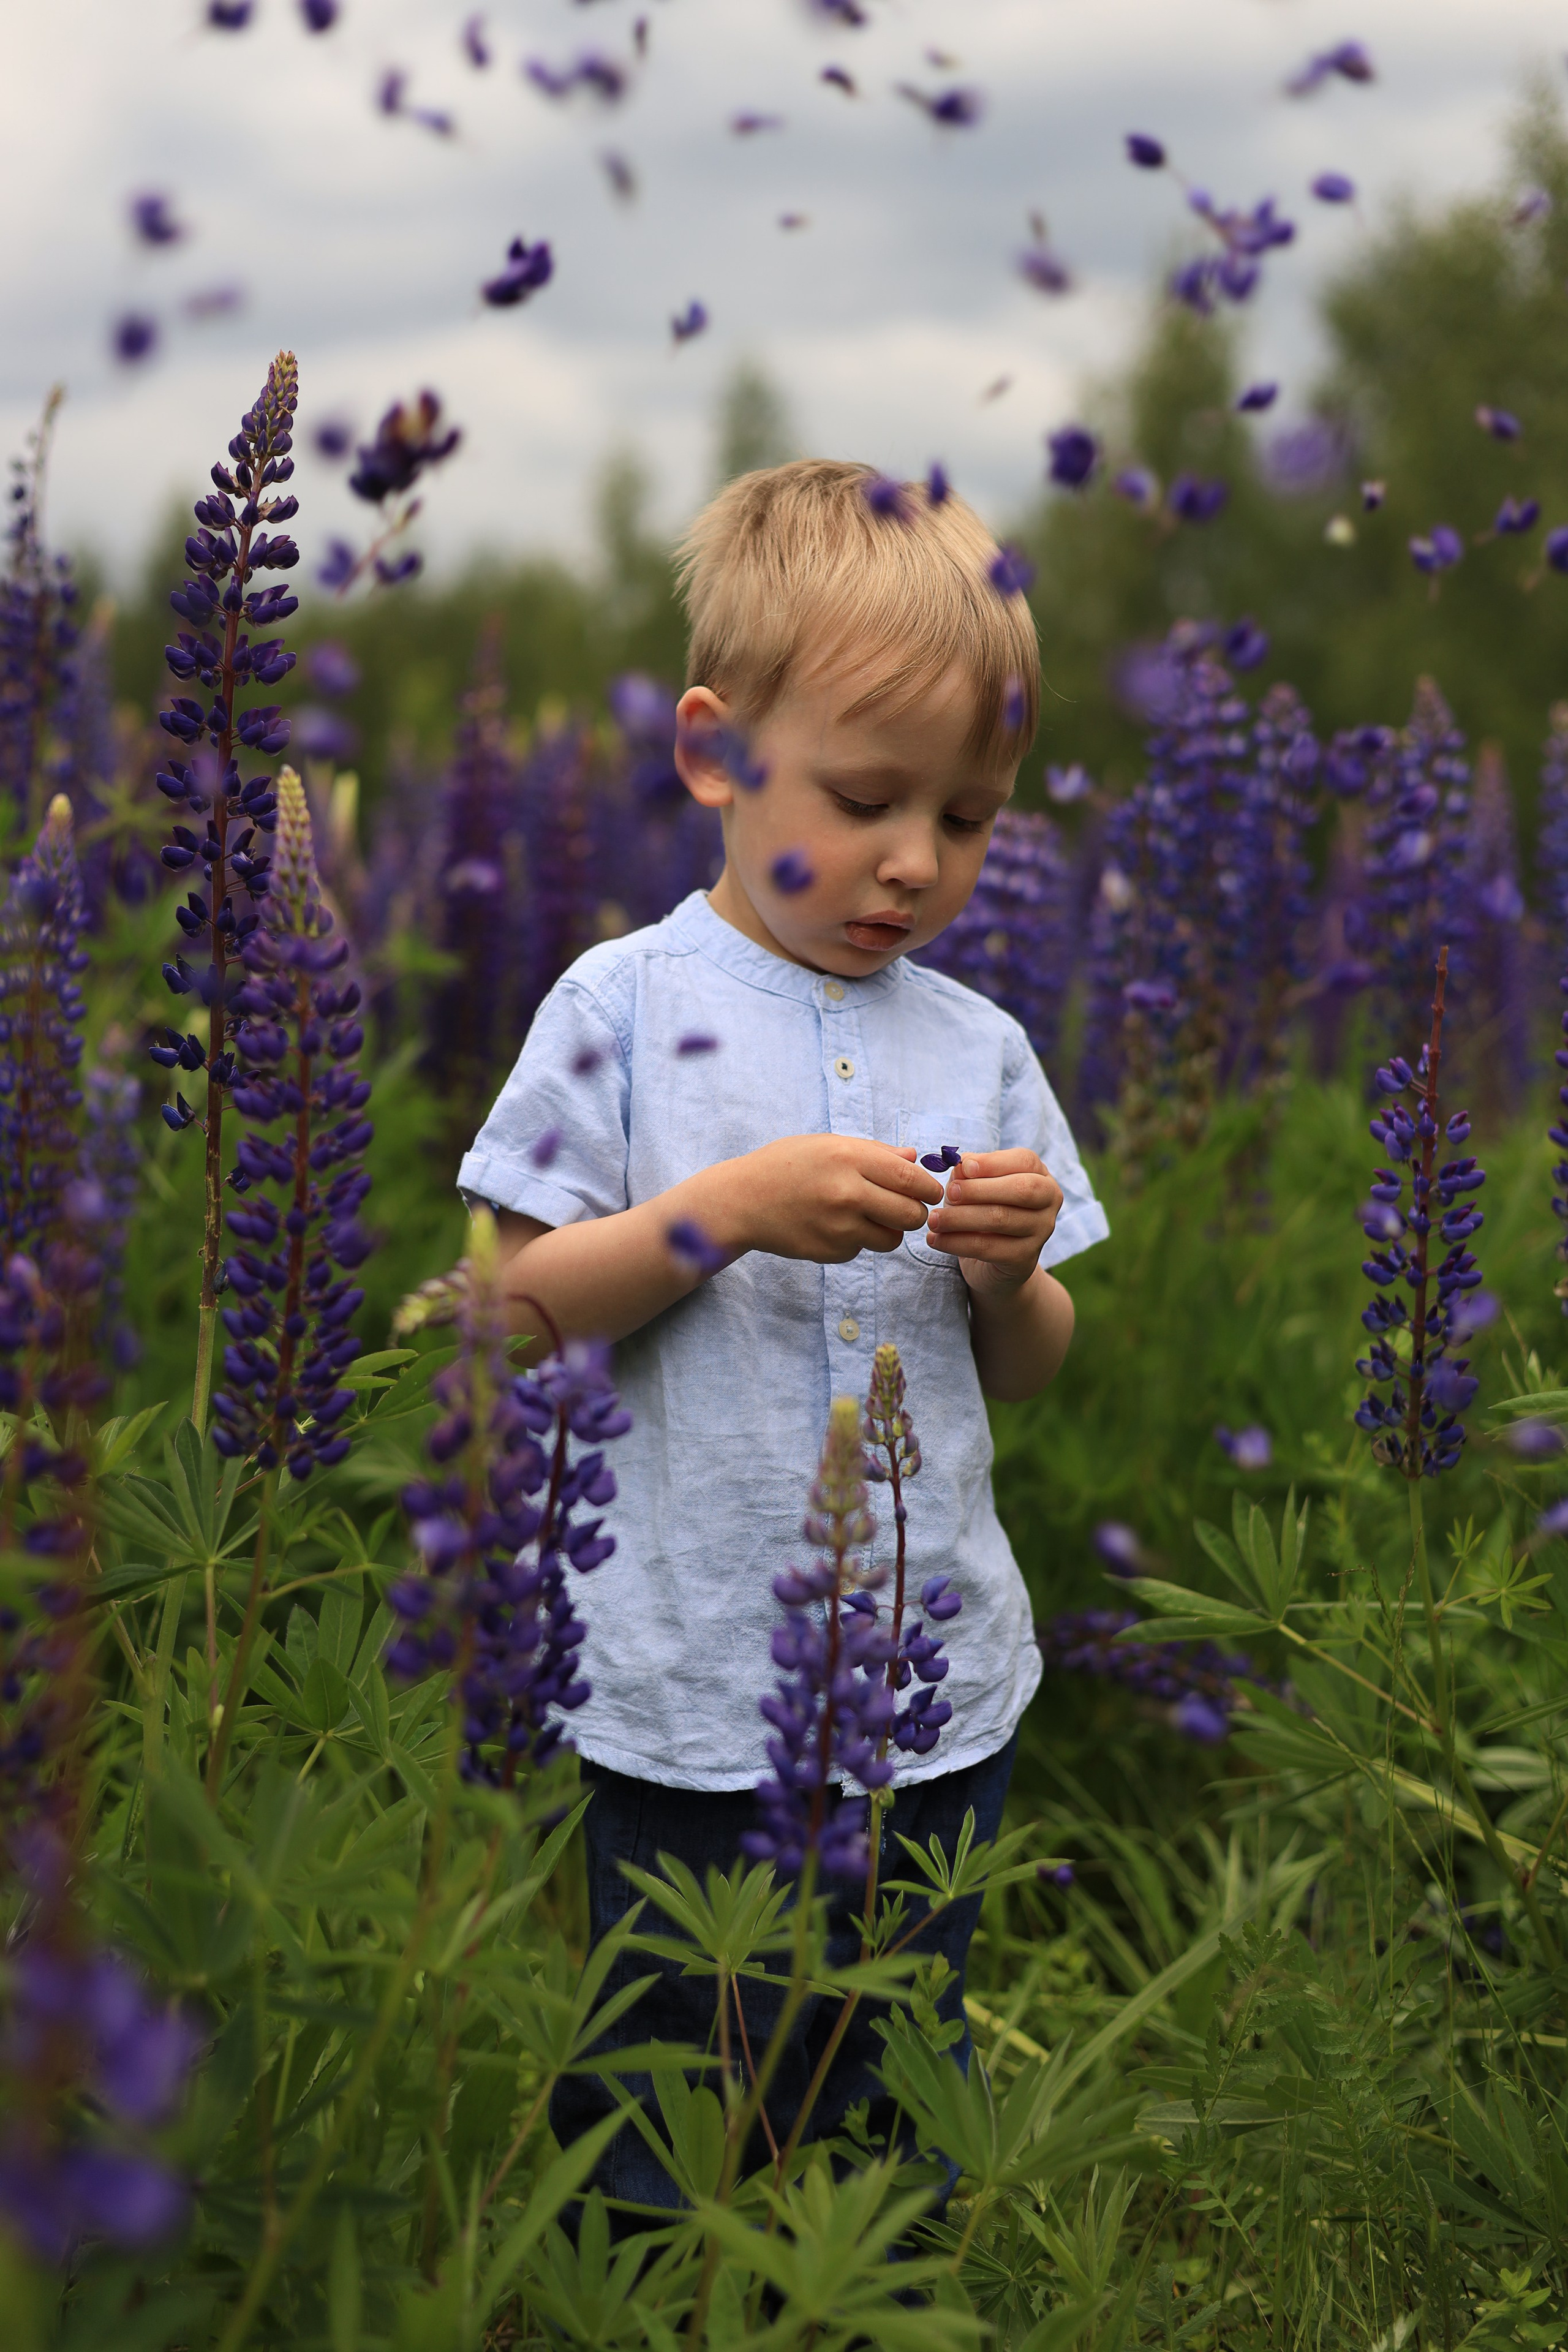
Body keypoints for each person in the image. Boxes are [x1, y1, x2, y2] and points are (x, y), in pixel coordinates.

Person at [456, 458, 1108, 2223]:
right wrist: (720, 1211)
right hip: (690, 1698)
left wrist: (1007, 1274)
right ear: (715, 753)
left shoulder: (980, 1044)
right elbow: (504, 1313)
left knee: (897, 2105)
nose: (916, 860)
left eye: (969, 820)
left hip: (932, 1700)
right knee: (667, 2118)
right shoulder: (622, 1004)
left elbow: (1034, 1364)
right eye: (869, 797)